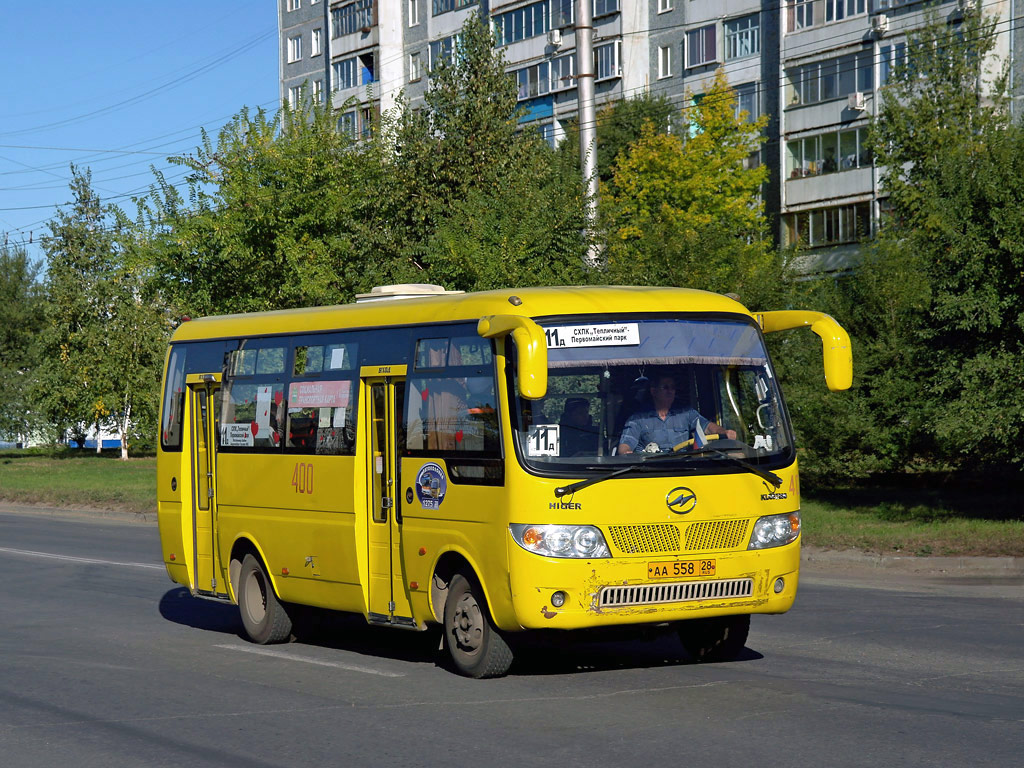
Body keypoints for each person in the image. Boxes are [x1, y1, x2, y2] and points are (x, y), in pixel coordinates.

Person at [618, 374, 736, 455]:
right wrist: (626, 453)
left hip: (683, 469)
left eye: (673, 388)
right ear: (653, 391)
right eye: (665, 387)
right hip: (650, 472)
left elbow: (708, 427)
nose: (670, 391)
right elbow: (625, 445)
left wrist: (724, 432)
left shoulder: (687, 413)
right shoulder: (637, 419)